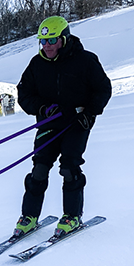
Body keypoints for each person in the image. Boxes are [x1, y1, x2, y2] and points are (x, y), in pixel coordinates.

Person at [14, 15, 112, 237]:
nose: (46, 46)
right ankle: (29, 216)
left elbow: (103, 89)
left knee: (69, 167)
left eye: (51, 40)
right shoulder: (37, 64)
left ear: (64, 39)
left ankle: (72, 216)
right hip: (50, 125)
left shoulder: (86, 60)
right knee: (39, 169)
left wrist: (89, 113)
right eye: (42, 41)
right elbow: (24, 93)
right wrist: (42, 108)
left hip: (76, 124)